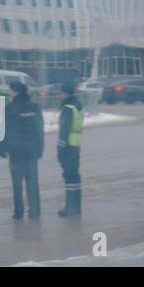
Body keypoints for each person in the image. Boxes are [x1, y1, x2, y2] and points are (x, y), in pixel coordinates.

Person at [0, 82, 44, 219]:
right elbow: (39, 130)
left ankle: (18, 212)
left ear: (16, 92)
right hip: (32, 151)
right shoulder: (35, 108)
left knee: (17, 184)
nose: (10, 94)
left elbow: (2, 129)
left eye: (10, 91)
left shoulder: (9, 109)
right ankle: (35, 212)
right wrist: (40, 149)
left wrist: (0, 149)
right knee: (32, 182)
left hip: (16, 152)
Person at [57, 83, 83, 218]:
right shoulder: (77, 106)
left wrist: (60, 150)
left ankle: (70, 208)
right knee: (75, 178)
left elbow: (64, 131)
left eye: (61, 93)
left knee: (69, 178)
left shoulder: (67, 108)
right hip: (76, 144)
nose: (60, 95)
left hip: (68, 146)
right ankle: (77, 206)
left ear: (66, 94)